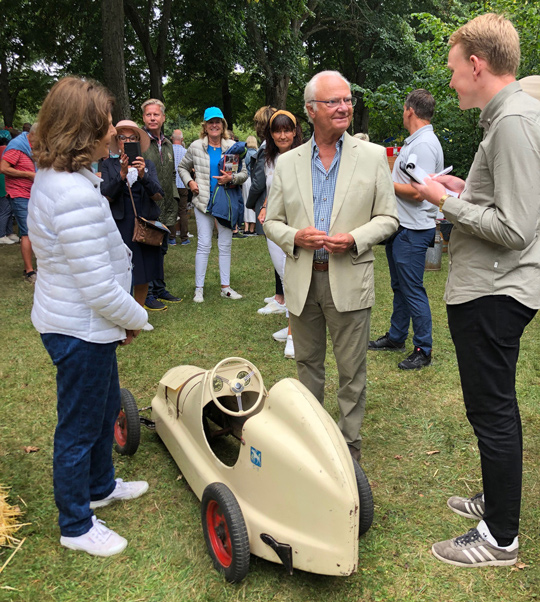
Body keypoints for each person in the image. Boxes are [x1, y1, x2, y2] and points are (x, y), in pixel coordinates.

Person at [411, 14, 540, 567]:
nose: (450, 82)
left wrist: (445, 201)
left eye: (453, 69)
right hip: (493, 286)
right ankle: (497, 504)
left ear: (476, 64)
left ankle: (501, 538)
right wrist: (468, 187)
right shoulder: (511, 117)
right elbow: (512, 201)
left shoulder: (513, 120)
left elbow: (515, 228)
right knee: (493, 408)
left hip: (493, 290)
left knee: (492, 412)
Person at [27, 77, 150, 557]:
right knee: (78, 428)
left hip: (89, 325)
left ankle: (101, 484)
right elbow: (96, 285)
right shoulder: (71, 192)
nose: (115, 133)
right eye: (106, 124)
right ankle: (76, 524)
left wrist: (119, 320)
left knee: (102, 412)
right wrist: (136, 317)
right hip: (79, 328)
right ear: (83, 129)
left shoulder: (68, 179)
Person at [264, 71, 398, 461]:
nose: (344, 107)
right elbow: (270, 220)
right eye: (333, 102)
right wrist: (295, 238)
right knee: (307, 365)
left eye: (347, 100)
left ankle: (348, 445)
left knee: (351, 370)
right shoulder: (288, 163)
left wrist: (355, 238)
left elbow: (389, 218)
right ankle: (313, 441)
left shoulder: (371, 157)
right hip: (303, 281)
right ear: (311, 110)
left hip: (349, 278)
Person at [369, 89, 444, 370]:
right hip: (402, 227)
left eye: (403, 109)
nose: (402, 113)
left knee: (412, 289)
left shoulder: (424, 145)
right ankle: (397, 336)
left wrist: (382, 183)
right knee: (400, 286)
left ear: (410, 110)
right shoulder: (417, 142)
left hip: (414, 229)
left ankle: (423, 348)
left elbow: (417, 192)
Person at [178, 107, 248, 303]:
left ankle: (225, 287)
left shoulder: (232, 146)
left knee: (225, 245)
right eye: (210, 122)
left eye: (218, 122)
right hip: (203, 203)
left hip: (224, 203)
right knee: (204, 244)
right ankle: (198, 289)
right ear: (205, 126)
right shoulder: (195, 147)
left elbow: (244, 174)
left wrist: (231, 178)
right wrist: (190, 182)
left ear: (223, 125)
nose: (214, 125)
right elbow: (182, 167)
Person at [101, 120, 164, 332]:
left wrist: (143, 175)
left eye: (132, 138)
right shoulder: (108, 165)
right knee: (121, 270)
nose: (127, 142)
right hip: (120, 223)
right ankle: (122, 315)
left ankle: (138, 315)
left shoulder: (148, 164)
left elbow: (158, 195)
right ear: (116, 142)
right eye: (123, 138)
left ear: (138, 141)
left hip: (143, 223)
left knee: (143, 270)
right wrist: (121, 175)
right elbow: (106, 196)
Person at [258, 110, 303, 358]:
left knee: (294, 279)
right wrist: (265, 206)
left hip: (294, 227)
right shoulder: (270, 159)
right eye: (277, 130)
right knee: (285, 279)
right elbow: (272, 190)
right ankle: (292, 325)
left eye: (287, 130)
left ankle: (294, 334)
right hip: (273, 227)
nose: (283, 135)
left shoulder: (302, 157)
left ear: (295, 132)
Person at [141, 99, 182, 310]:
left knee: (161, 248)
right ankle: (146, 294)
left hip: (166, 206)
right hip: (147, 206)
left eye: (156, 114)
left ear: (163, 117)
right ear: (143, 118)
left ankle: (159, 288)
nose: (153, 118)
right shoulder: (139, 143)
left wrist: (173, 199)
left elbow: (171, 174)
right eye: (148, 115)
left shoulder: (166, 144)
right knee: (147, 249)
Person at [0, 123, 37, 281]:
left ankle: (40, 265)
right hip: (19, 194)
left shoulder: (32, 145)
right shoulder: (17, 146)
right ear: (33, 135)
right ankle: (29, 271)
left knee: (36, 230)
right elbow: (3, 168)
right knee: (27, 232)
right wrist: (28, 175)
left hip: (33, 193)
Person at [171, 129, 191, 245]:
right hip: (183, 184)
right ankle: (184, 238)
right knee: (183, 212)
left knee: (172, 211)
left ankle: (172, 237)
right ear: (182, 139)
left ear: (171, 138)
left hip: (172, 185)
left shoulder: (167, 152)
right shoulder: (186, 152)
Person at [0, 130, 19, 245]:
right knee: (5, 210)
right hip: (3, 184)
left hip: (4, 184)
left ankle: (9, 233)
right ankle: (2, 234)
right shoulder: (5, 150)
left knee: (7, 209)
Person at [242, 135, 258, 236]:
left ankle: (246, 226)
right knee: (254, 202)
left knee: (245, 202)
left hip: (245, 179)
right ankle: (252, 227)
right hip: (254, 180)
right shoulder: (258, 153)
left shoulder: (244, 154)